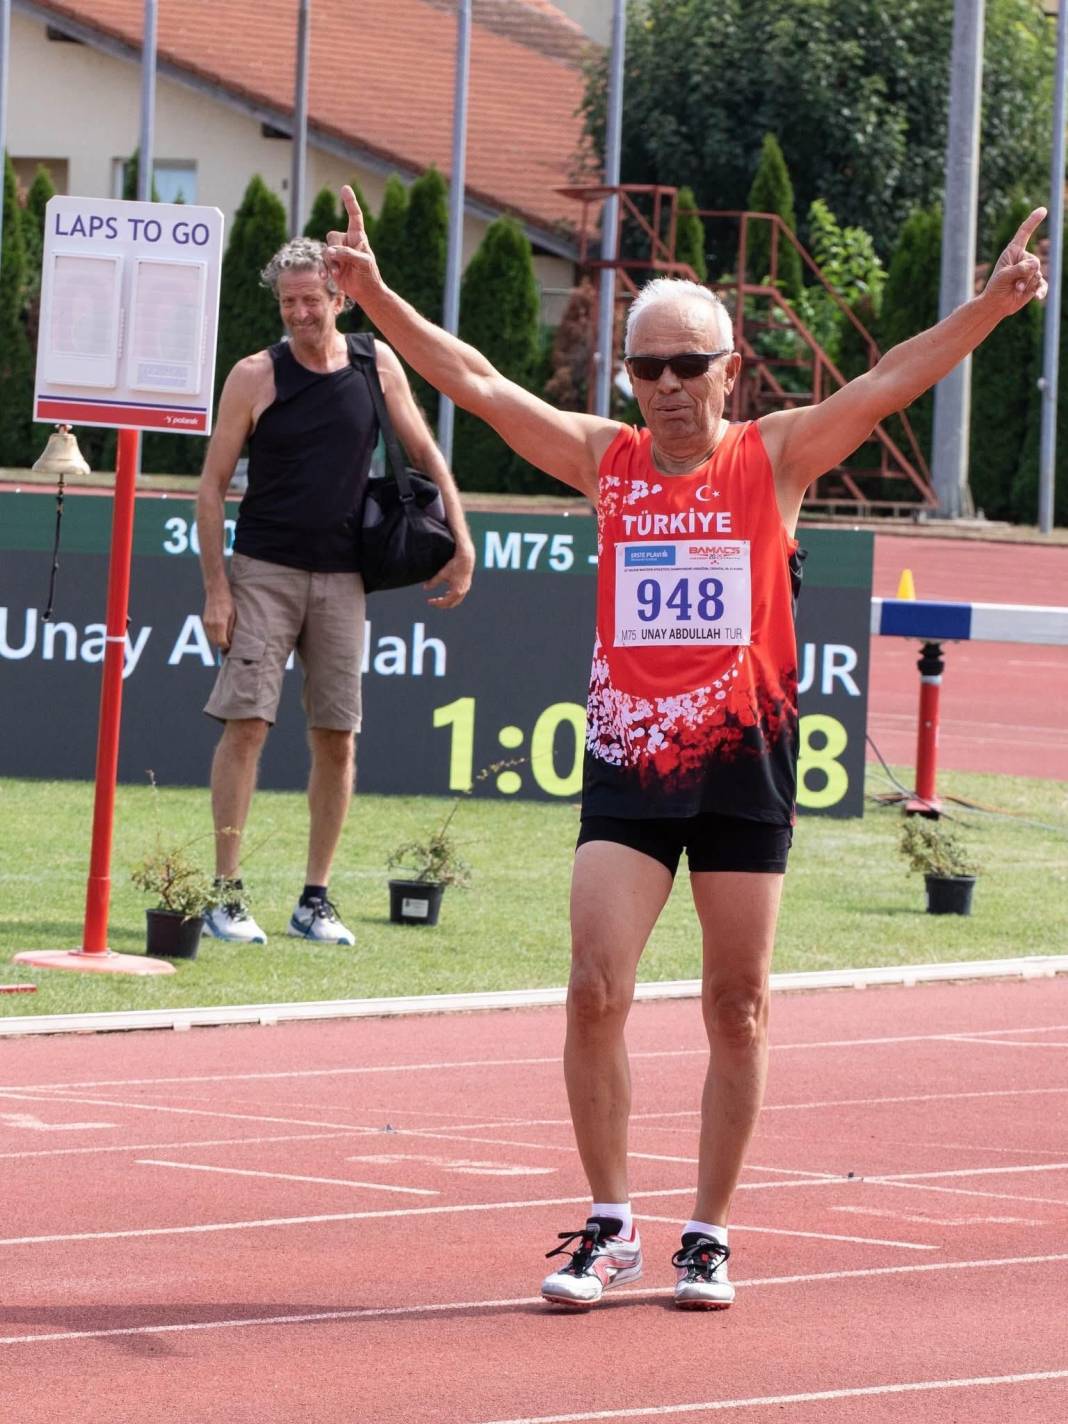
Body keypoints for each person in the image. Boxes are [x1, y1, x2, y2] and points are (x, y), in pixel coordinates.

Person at [324, 190, 1047, 1307]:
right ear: (628, 378)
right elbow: (474, 379)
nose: (665, 386)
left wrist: (991, 310)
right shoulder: (603, 460)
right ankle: (610, 1221)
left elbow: (892, 375)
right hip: (628, 759)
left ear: (729, 370)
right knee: (593, 986)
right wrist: (375, 297)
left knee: (737, 1001)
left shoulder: (777, 455)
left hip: (744, 762)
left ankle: (707, 1231)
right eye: (646, 368)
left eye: (686, 365)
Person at [196, 236, 475, 947]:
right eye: (287, 302)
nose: (297, 314)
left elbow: (424, 451)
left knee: (338, 737)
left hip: (347, 576)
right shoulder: (255, 375)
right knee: (248, 724)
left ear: (339, 300)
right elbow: (210, 484)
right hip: (263, 569)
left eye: (310, 302)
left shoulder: (375, 362)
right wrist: (217, 589)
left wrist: (463, 539)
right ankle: (225, 895)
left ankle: (314, 900)